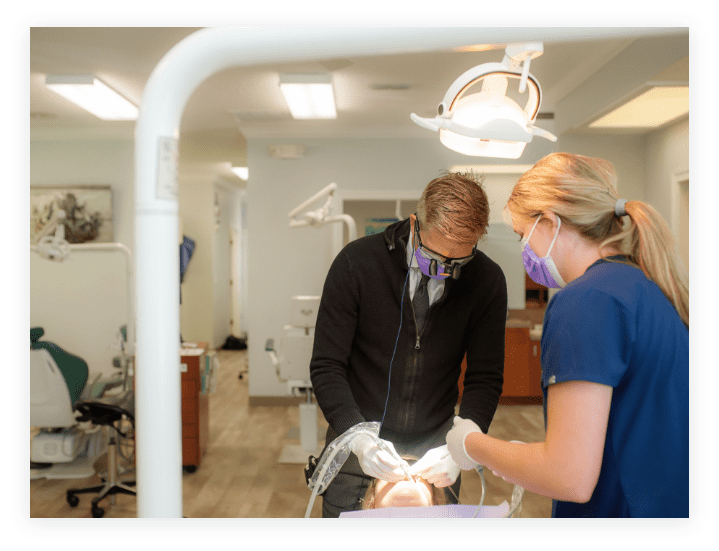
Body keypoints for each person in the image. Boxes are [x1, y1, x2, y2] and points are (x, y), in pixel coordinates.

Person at [446, 152, 690, 518]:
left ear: (548, 221)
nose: (525, 249)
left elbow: (569, 477)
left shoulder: (586, 302)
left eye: (521, 235)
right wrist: (515, 458)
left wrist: (469, 444)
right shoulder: (650, 288)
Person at [310, 172, 508, 518]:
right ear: (415, 225)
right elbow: (327, 366)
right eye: (435, 257)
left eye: (456, 262)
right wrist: (357, 437)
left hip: (437, 447)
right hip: (356, 436)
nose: (443, 271)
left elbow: (485, 377)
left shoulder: (487, 281)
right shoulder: (357, 264)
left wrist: (465, 442)